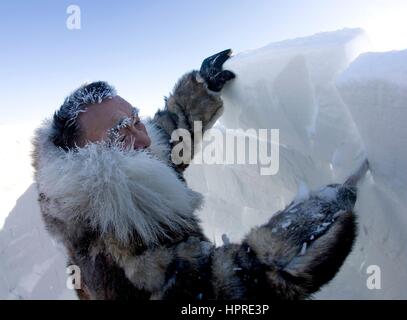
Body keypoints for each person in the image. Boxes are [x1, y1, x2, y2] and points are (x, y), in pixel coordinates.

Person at [32, 49, 358, 299]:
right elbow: (216, 292)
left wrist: (197, 92)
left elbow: (164, 141)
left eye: (134, 117)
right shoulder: (120, 245)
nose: (142, 137)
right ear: (89, 162)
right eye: (120, 131)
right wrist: (305, 227)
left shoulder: (102, 171)